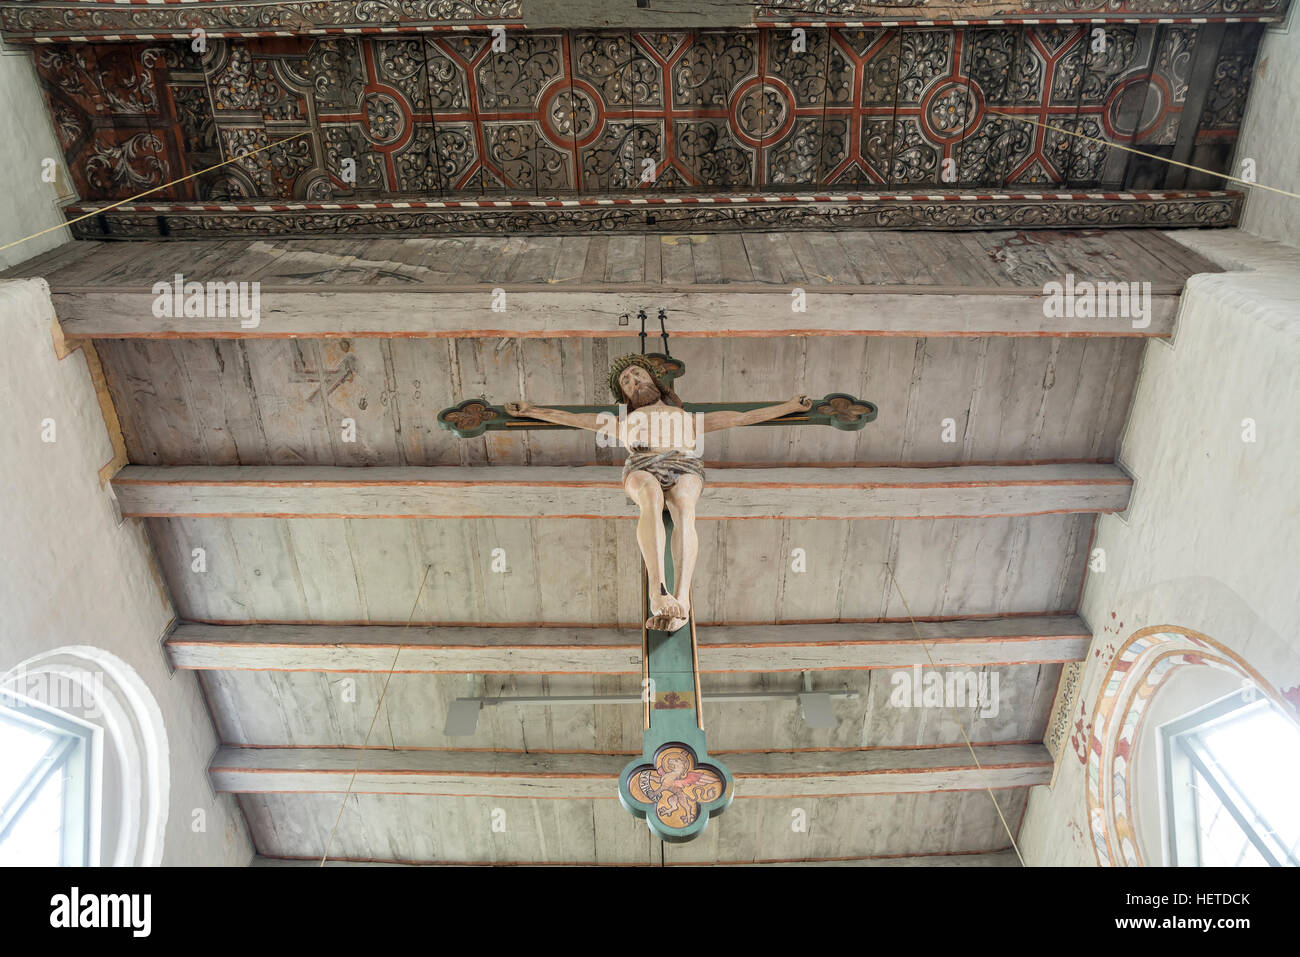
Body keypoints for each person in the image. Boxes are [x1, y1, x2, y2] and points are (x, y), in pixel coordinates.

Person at [505, 355, 810, 631]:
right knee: (649, 496)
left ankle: (682, 599)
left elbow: (742, 417)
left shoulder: (688, 418)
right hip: (642, 463)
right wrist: (532, 410)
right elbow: (576, 419)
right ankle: (658, 591)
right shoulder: (623, 422)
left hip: (683, 464)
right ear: (625, 395)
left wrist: (791, 406)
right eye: (627, 381)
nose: (634, 381)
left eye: (637, 374)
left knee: (685, 508)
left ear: (653, 379)